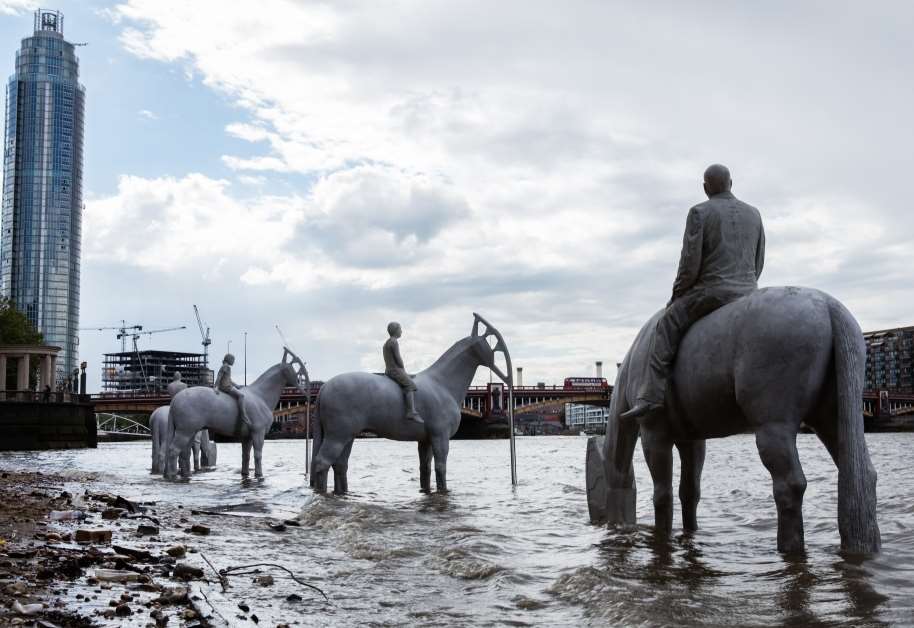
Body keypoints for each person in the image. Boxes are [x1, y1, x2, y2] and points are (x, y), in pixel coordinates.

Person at [621, 164, 765, 420]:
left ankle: (651, 396)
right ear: (731, 183)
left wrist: (677, 296)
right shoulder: (754, 214)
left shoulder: (699, 212)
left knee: (665, 324)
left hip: (712, 292)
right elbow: (759, 261)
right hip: (748, 291)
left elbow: (689, 265)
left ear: (705, 188)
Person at [383, 322, 424, 423]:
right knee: (410, 385)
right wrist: (402, 367)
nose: (401, 331)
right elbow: (398, 359)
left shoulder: (387, 342)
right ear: (395, 330)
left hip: (388, 369)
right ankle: (411, 411)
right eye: (400, 329)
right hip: (395, 370)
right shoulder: (394, 342)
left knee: (408, 378)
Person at [214, 354, 250, 430]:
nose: (234, 361)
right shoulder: (225, 367)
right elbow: (219, 376)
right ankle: (243, 415)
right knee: (241, 396)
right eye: (233, 359)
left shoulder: (226, 367)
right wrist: (216, 387)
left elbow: (229, 379)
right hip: (226, 387)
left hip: (228, 385)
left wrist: (237, 385)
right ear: (229, 359)